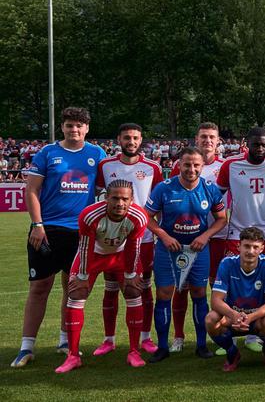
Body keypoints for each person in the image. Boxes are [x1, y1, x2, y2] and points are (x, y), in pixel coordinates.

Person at [13, 107, 107, 369]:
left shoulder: (97, 154)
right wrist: (37, 224)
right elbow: (32, 190)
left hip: (81, 232)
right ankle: (26, 347)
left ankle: (65, 342)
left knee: (72, 287)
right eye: (69, 125)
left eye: (79, 125)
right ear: (62, 127)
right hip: (48, 230)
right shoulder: (47, 153)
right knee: (39, 287)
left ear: (87, 128)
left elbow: (104, 190)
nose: (74, 129)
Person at [54, 180, 149, 373]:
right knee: (76, 293)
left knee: (133, 291)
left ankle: (134, 351)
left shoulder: (139, 216)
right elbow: (85, 247)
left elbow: (134, 247)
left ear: (131, 200)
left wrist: (131, 274)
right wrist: (82, 276)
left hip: (121, 255)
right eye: (115, 198)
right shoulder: (90, 215)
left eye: (125, 199)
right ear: (106, 198)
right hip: (94, 255)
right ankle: (73, 355)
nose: (120, 203)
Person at [145, 146, 229, 362]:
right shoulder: (164, 188)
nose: (191, 169)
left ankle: (201, 345)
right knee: (164, 294)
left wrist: (206, 236)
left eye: (196, 165)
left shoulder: (209, 189)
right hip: (168, 249)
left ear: (202, 166)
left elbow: (221, 218)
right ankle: (162, 347)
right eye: (187, 165)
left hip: (197, 249)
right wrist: (163, 236)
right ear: (179, 165)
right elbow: (148, 217)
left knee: (199, 293)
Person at [95, 123, 162, 356]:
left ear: (141, 140)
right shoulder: (105, 165)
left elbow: (158, 202)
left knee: (143, 288)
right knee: (111, 288)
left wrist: (157, 232)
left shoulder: (152, 167)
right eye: (126, 138)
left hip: (144, 238)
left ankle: (146, 337)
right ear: (119, 140)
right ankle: (109, 339)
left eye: (135, 138)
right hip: (112, 238)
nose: (131, 142)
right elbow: (99, 197)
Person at [169, 122, 226, 352]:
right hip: (186, 237)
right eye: (204, 136)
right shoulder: (180, 164)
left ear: (218, 140)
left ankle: (219, 334)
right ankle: (179, 336)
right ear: (197, 138)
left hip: (219, 235)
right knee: (180, 288)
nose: (208, 141)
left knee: (217, 286)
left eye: (212, 137)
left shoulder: (226, 165)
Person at [206, 226, 265, 369]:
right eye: (246, 246)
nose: (250, 251)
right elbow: (215, 301)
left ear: (262, 249)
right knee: (211, 319)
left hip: (258, 318)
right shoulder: (227, 263)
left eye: (255, 247)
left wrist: (250, 317)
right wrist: (234, 315)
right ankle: (232, 353)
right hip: (232, 318)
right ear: (238, 246)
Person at [217, 127, 265, 257]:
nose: (260, 149)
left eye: (264, 145)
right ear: (247, 143)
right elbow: (216, 196)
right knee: (237, 269)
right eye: (256, 144)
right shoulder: (230, 164)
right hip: (238, 232)